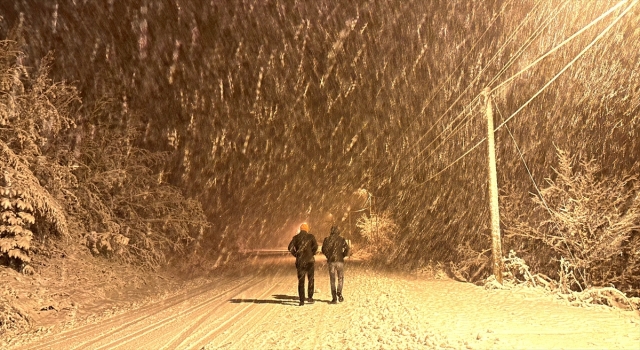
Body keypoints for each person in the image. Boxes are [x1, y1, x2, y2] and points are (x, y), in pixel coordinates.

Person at [288, 223, 318, 306]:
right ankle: (310, 297)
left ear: (301, 229)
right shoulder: (311, 237)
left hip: (300, 262)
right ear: (307, 229)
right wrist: (311, 253)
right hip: (310, 261)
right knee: (311, 279)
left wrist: (296, 255)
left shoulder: (296, 238)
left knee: (301, 281)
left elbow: (290, 248)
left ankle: (301, 300)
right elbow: (315, 247)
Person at [322, 225, 350, 304]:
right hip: (340, 261)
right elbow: (347, 248)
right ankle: (339, 292)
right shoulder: (341, 239)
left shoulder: (327, 239)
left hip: (331, 262)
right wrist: (342, 255)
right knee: (340, 278)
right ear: (338, 231)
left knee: (332, 280)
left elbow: (323, 249)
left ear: (331, 231)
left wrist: (328, 256)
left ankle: (334, 298)